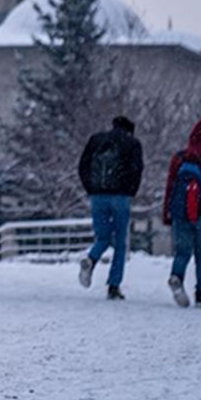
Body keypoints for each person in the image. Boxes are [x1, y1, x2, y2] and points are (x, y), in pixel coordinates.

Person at [76, 115, 144, 300]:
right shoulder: (132, 143)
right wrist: (130, 191)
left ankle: (91, 259)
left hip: (97, 195)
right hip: (120, 197)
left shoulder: (96, 139)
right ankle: (113, 286)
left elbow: (82, 166)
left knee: (103, 237)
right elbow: (137, 169)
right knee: (120, 242)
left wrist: (91, 188)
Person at [162, 120, 201, 309]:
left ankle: (177, 277)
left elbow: (170, 188)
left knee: (182, 252)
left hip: (181, 214)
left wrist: (167, 212)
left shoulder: (179, 158)